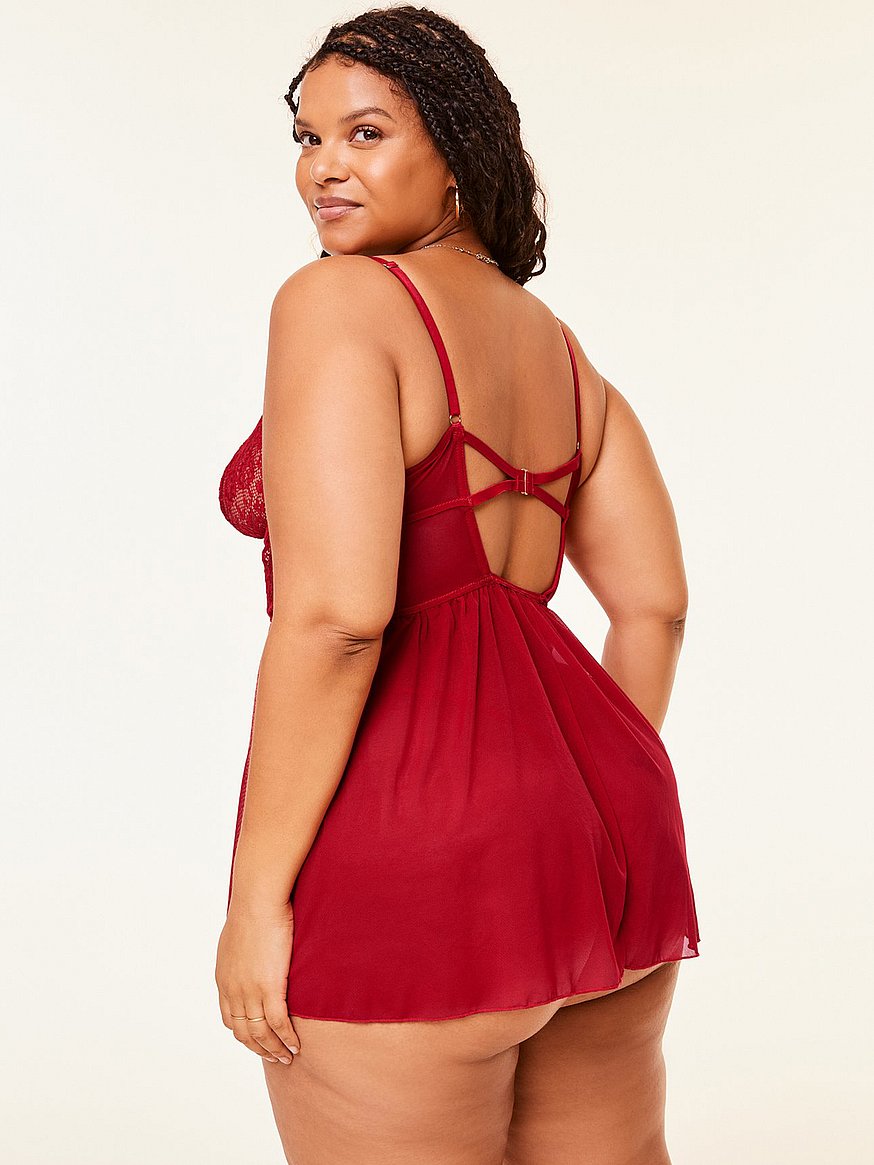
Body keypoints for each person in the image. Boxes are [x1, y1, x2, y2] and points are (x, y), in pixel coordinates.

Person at [214, 6, 701, 1163]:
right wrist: (576, 800)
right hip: (609, 835)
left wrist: (254, 902)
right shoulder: (564, 353)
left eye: (365, 132)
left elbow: (339, 618)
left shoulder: (335, 303)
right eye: (307, 137)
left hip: (413, 850)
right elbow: (655, 606)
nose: (323, 167)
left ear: (458, 152)